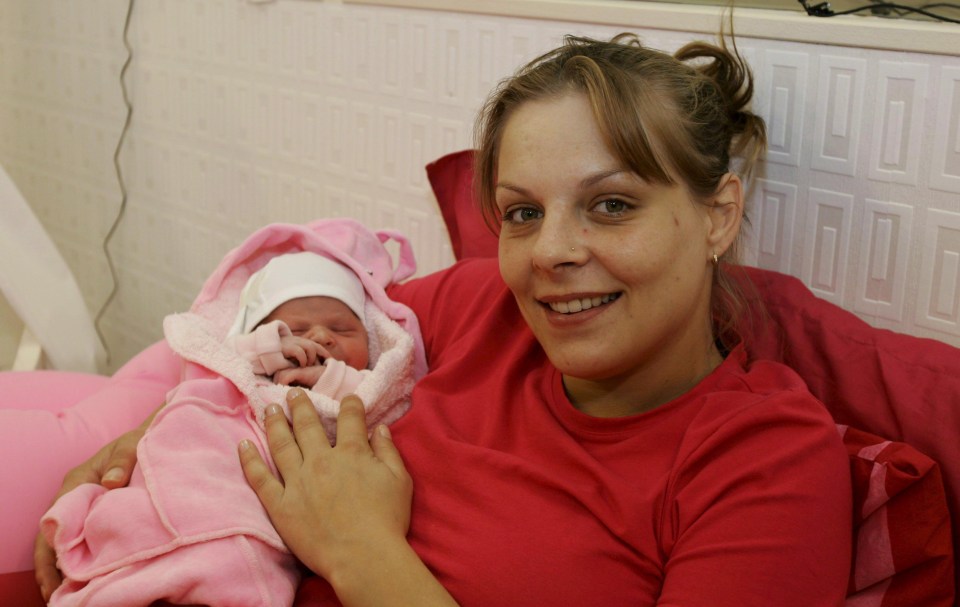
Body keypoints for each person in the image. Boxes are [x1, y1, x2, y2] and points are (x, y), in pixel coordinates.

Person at [36, 32, 852, 606]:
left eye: (611, 204)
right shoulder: (478, 310)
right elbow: (271, 351)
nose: (552, 253)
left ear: (717, 216)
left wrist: (363, 554)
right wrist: (153, 433)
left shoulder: (768, 463)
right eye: (522, 213)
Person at [39, 222, 425, 606]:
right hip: (192, 464)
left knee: (230, 564)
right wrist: (276, 348)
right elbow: (235, 354)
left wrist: (329, 380)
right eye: (297, 327)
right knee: (128, 529)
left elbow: (359, 409)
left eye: (342, 328)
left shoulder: (361, 389)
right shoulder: (240, 365)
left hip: (245, 512)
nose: (321, 337)